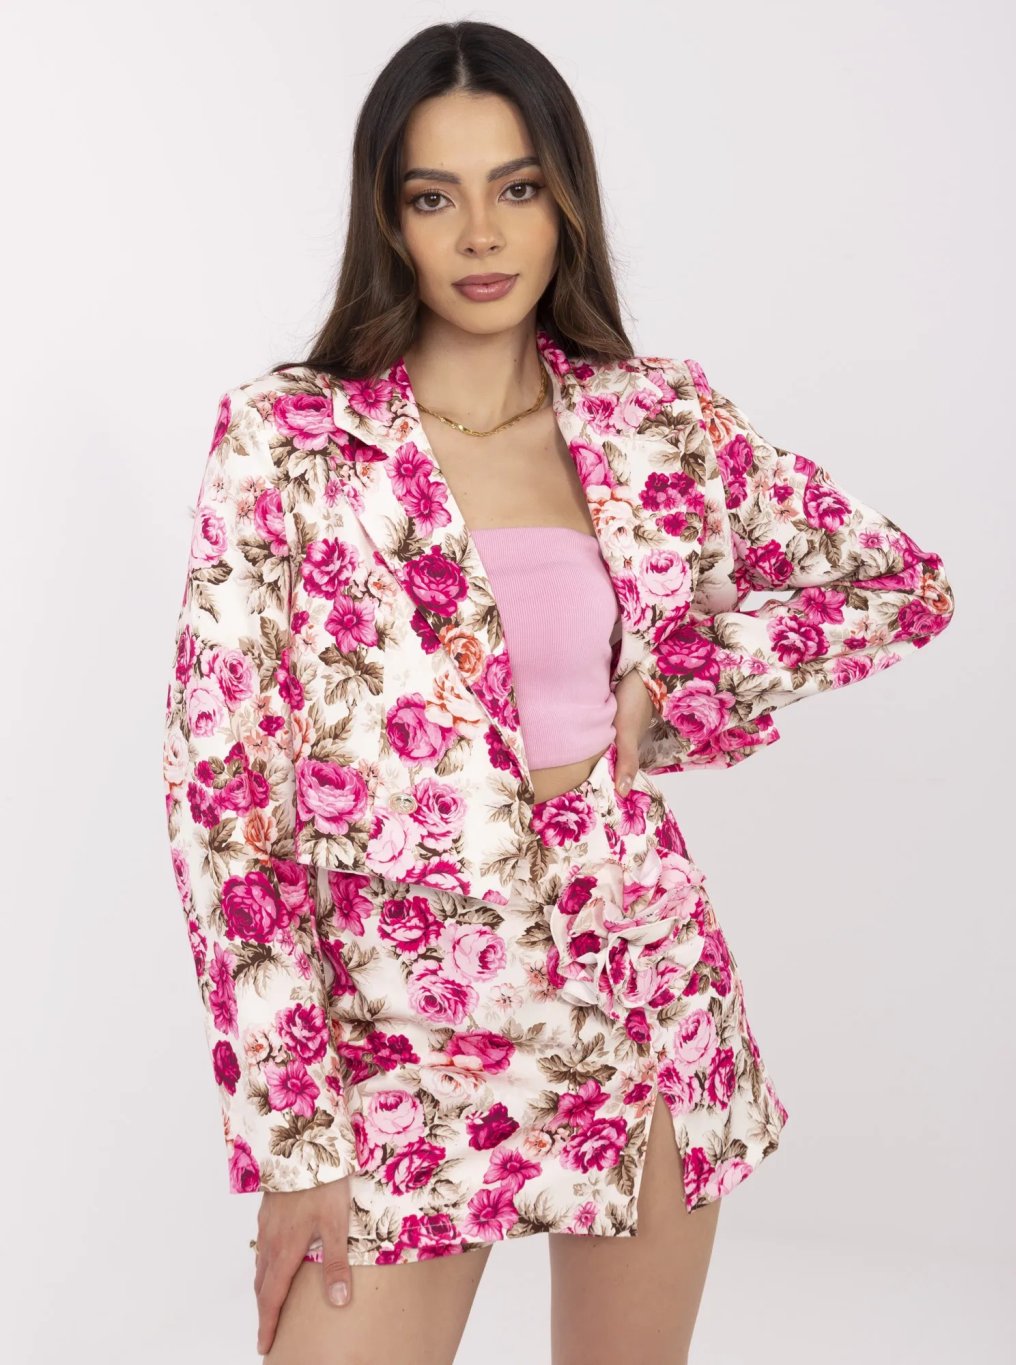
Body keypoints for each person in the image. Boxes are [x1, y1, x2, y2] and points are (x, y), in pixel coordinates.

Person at [159, 19, 955, 1364]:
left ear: (565, 200)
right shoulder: (287, 440)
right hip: (397, 1037)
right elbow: (224, 803)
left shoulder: (657, 422)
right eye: (435, 197)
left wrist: (685, 681)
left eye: (516, 187)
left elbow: (900, 585)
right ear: (388, 219)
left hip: (638, 984)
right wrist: (293, 1142)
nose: (481, 235)